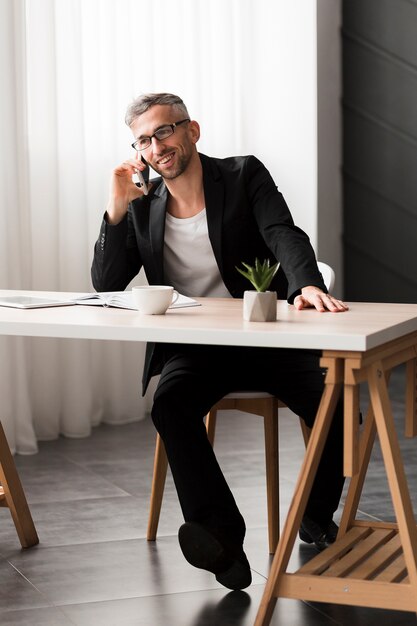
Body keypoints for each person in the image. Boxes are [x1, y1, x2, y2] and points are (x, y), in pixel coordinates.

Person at [91, 92, 349, 591]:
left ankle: (317, 514)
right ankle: (222, 538)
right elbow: (105, 282)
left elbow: (282, 232)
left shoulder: (242, 174)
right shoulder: (144, 205)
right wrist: (117, 207)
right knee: (169, 406)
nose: (156, 146)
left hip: (268, 338)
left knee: (338, 400)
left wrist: (307, 283)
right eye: (144, 140)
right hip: (196, 348)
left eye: (164, 131)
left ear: (192, 130)